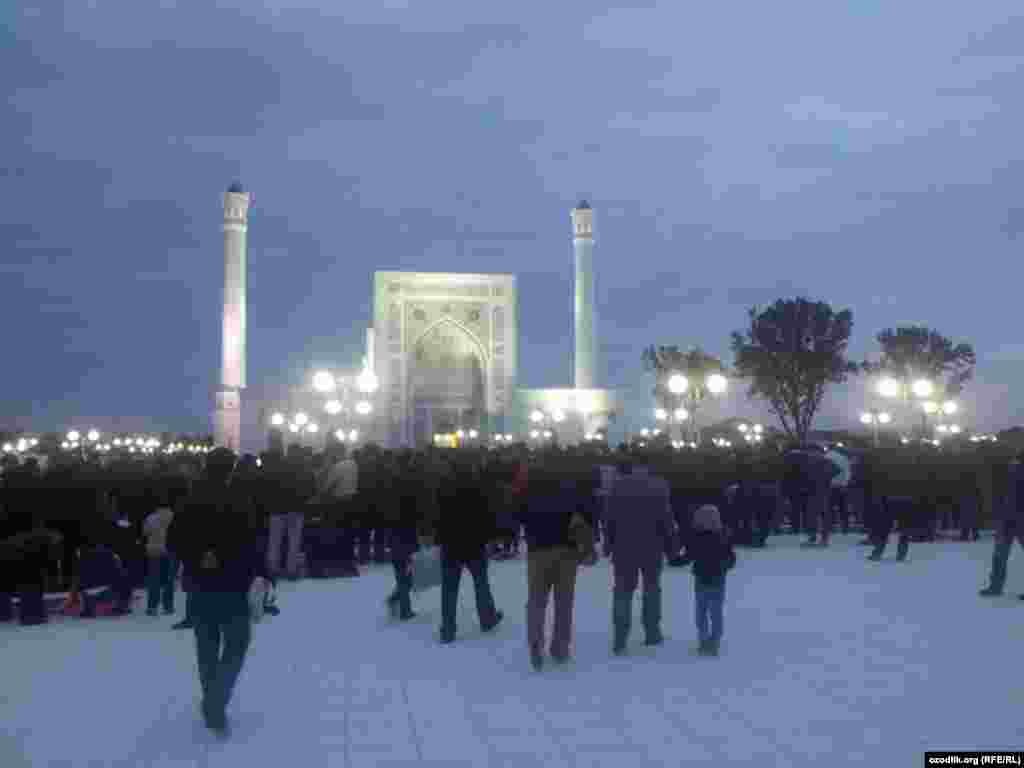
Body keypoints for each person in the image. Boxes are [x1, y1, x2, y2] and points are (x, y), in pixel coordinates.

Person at [167, 447, 269, 735]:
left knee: (206, 646)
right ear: (231, 469)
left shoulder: (189, 500)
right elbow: (252, 543)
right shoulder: (241, 500)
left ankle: (212, 698)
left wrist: (198, 556)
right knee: (237, 643)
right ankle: (216, 699)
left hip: (200, 584)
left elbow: (173, 542)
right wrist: (262, 573)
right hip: (233, 583)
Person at [520, 463, 595, 670]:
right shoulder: (568, 495)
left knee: (536, 602)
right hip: (566, 554)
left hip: (537, 554)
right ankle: (560, 648)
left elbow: (519, 519)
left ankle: (535, 643)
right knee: (564, 603)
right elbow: (584, 519)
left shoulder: (529, 497)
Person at [606, 457, 675, 655]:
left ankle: (620, 637)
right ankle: (652, 631)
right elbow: (666, 518)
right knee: (652, 589)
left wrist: (608, 544)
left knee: (622, 591)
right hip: (652, 547)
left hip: (624, 547)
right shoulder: (659, 486)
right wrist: (671, 546)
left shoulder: (617, 486)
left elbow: (609, 518)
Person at [435, 456, 503, 645]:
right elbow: (487, 515)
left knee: (449, 590)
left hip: (450, 545)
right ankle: (487, 619)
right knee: (481, 584)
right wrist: (489, 538)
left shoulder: (444, 487)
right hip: (474, 545)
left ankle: (448, 629)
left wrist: (438, 538)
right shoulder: (478, 487)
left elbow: (437, 516)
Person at [689, 504, 736, 656]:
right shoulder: (723, 536)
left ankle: (706, 640)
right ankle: (713, 640)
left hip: (703, 580)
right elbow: (731, 558)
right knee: (715, 613)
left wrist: (675, 559)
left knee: (702, 612)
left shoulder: (698, 537)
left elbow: (689, 555)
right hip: (716, 580)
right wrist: (724, 566)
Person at [980, 451, 1024, 599]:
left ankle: (995, 586)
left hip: (1007, 518)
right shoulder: (1009, 471)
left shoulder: (1007, 471)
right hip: (1011, 518)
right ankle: (995, 586)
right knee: (999, 555)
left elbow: (999, 494)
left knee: (999, 555)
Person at [385, 451, 420, 621]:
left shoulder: (390, 480)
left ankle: (402, 605)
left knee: (400, 570)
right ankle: (401, 603)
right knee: (413, 570)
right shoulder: (413, 480)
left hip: (395, 530)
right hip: (409, 530)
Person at [143, 490, 176, 616]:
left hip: (154, 551)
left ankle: (152, 607)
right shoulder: (174, 517)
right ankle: (168, 607)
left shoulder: (151, 518)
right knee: (169, 580)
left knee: (154, 580)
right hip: (170, 551)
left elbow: (145, 532)